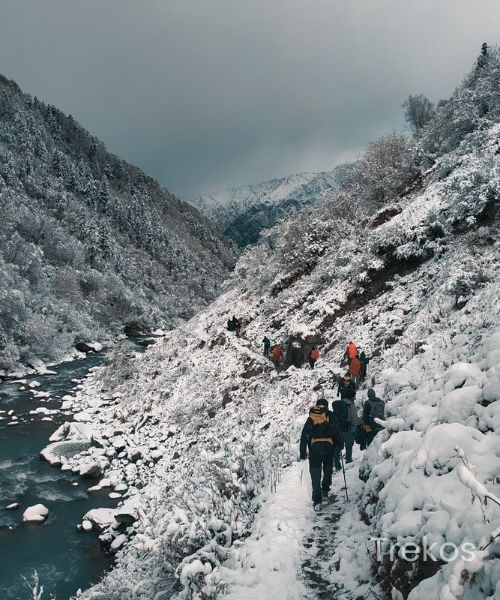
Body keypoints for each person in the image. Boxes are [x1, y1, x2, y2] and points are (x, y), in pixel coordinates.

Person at [300, 398, 343, 509]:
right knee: (328, 469)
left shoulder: (312, 417)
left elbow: (304, 435)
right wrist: (340, 444)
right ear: (327, 406)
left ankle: (317, 500)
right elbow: (337, 431)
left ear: (317, 406)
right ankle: (325, 489)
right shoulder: (330, 416)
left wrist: (302, 452)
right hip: (329, 446)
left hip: (315, 448)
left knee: (315, 474)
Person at [331, 392, 361, 467]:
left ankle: (337, 463)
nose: (355, 398)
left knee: (337, 446)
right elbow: (355, 419)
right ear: (351, 397)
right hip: (347, 428)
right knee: (349, 445)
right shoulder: (351, 405)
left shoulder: (338, 404)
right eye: (354, 397)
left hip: (338, 429)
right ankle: (348, 461)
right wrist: (353, 428)